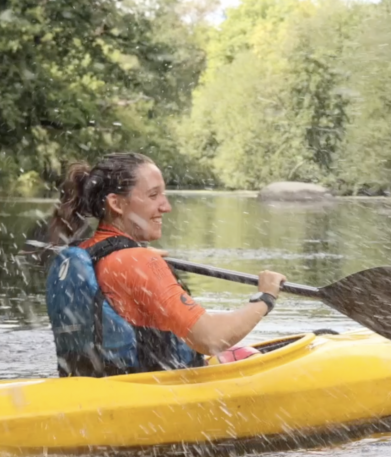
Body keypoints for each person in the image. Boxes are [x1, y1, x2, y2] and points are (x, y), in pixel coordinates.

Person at [44, 152, 286, 377]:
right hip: (151, 396)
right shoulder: (137, 262)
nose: (166, 206)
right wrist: (265, 298)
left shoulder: (83, 252)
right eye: (153, 195)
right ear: (116, 204)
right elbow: (211, 338)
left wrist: (135, 254)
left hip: (98, 389)